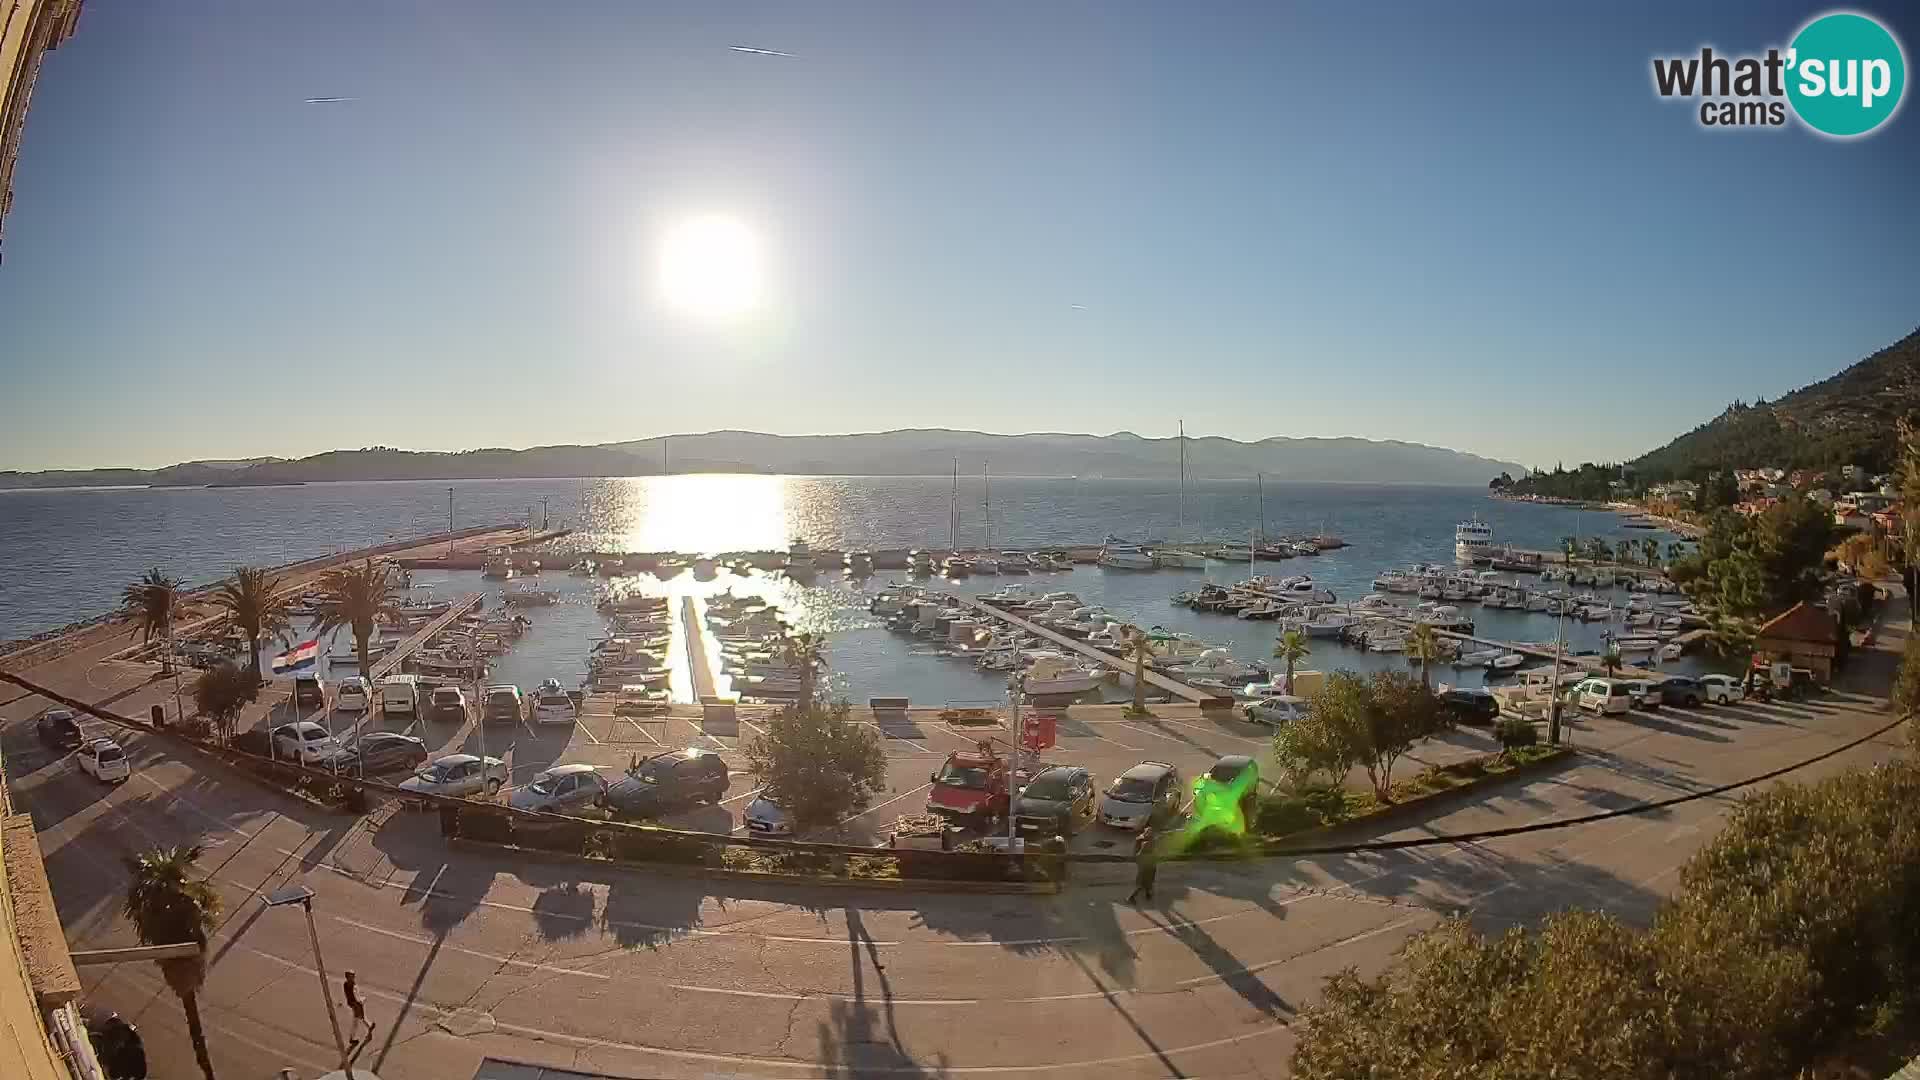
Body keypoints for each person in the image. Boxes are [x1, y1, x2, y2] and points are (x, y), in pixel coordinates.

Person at [1126, 827, 1159, 904]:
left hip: (1149, 863)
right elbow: (1138, 853)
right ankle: (1131, 897)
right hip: (1145, 863)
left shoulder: (1149, 839)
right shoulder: (1143, 841)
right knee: (1143, 882)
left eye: (1151, 833)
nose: (1151, 834)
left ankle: (1148, 894)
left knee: (1148, 881)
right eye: (1149, 832)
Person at [343, 969, 372, 1041]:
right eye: (352, 976)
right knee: (358, 1019)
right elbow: (357, 998)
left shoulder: (345, 984)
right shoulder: (353, 986)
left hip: (352, 1004)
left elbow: (350, 996)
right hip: (357, 1005)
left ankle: (369, 1026)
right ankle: (369, 1027)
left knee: (358, 1019)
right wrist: (363, 999)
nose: (353, 977)